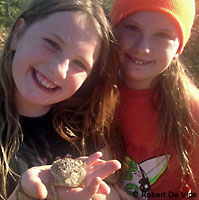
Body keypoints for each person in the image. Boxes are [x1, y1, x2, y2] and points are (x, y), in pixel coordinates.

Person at [0, 0, 121, 199]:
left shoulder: (86, 131)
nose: (59, 70)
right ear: (18, 33)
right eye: (52, 44)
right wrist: (23, 195)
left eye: (78, 63)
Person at [108, 0, 199, 199]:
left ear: (178, 48)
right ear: (112, 30)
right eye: (132, 28)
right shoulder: (88, 90)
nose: (143, 48)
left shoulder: (193, 112)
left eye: (162, 35)